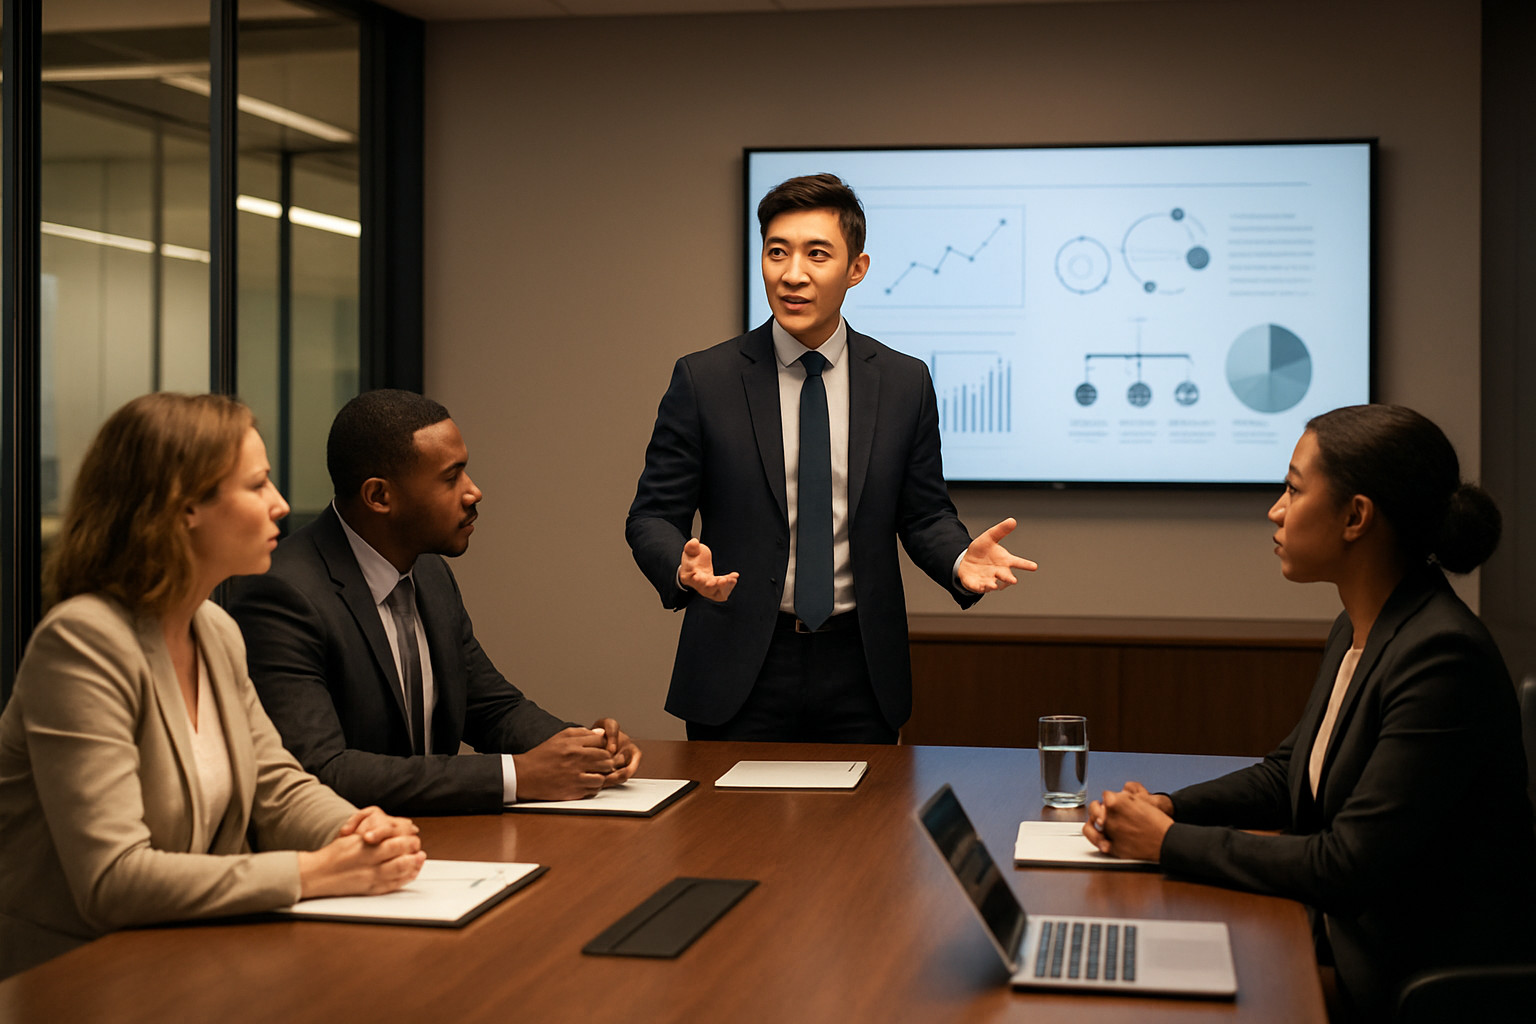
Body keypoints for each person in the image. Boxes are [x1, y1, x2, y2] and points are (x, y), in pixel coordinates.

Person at [1082, 404, 1536, 1021]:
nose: (1276, 510)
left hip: (1402, 984)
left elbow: (1345, 866)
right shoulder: (1360, 625)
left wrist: (1167, 842)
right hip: (1336, 943)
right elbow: (1286, 775)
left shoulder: (1440, 657)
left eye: (1294, 490)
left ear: (1356, 517)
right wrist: (1170, 807)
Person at [0, 393, 423, 980]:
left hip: (185, 960)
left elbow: (276, 786)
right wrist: (314, 872)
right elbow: (112, 879)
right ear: (184, 508)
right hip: (75, 978)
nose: (280, 504)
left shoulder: (215, 630)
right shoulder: (82, 641)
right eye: (257, 485)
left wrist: (356, 829)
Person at [626, 173, 1037, 743]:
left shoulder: (903, 382)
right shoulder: (705, 380)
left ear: (856, 269)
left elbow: (923, 515)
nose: (792, 274)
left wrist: (957, 560)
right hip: (738, 663)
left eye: (817, 254)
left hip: (860, 666)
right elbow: (652, 515)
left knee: (866, 808)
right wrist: (680, 565)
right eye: (777, 252)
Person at [227, 389, 641, 816]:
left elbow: (492, 710)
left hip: (431, 836)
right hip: (345, 842)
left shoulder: (428, 572)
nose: (473, 492)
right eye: (450, 477)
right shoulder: (283, 595)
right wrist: (517, 775)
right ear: (379, 496)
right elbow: (321, 770)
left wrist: (587, 749)